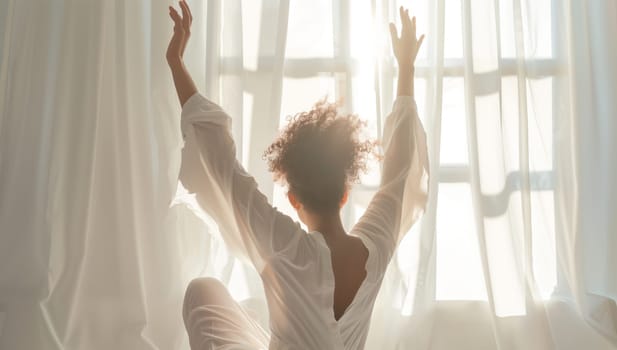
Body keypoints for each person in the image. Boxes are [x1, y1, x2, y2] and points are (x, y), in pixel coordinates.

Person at [167, 1, 428, 349]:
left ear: (293, 199)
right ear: (345, 191)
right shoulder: (374, 248)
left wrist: (177, 63)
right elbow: (402, 167)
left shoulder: (285, 246)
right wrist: (406, 66)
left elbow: (221, 165)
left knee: (202, 290)